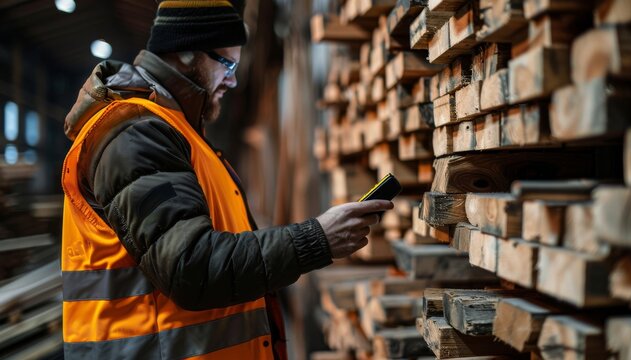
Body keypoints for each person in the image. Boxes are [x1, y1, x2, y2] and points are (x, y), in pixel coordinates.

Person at [60, 1, 393, 359]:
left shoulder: (176, 132)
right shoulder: (134, 134)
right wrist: (314, 240)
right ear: (187, 53)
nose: (233, 80)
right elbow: (191, 267)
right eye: (228, 64)